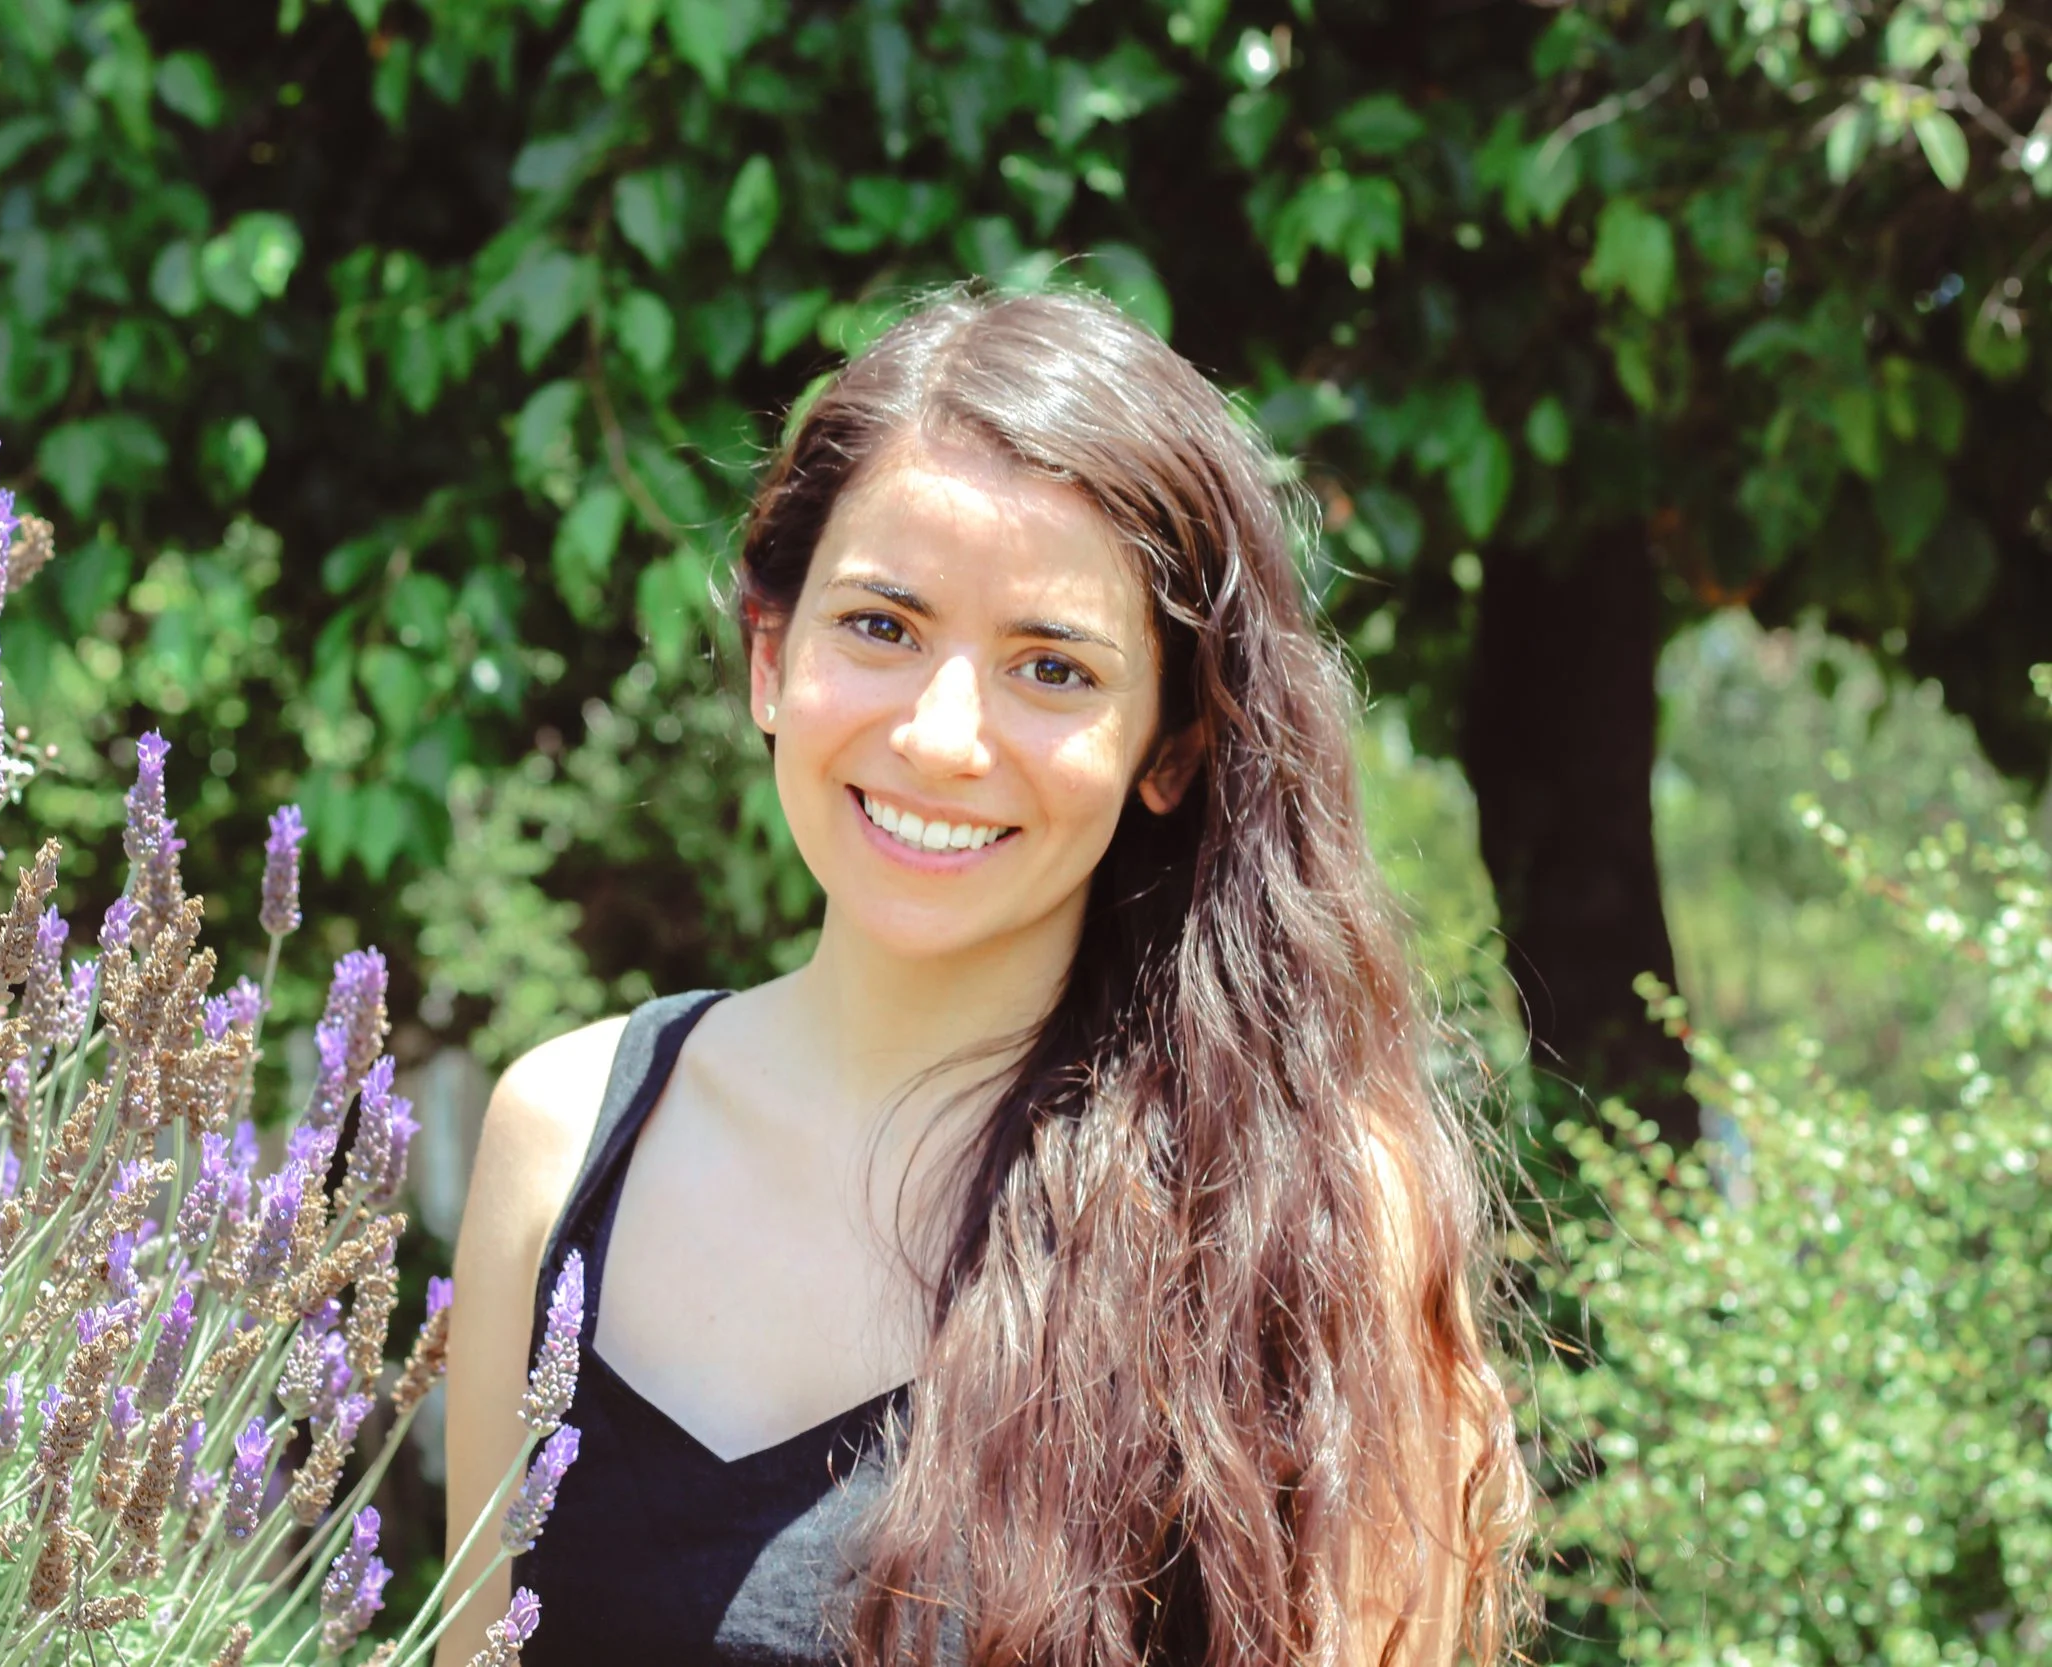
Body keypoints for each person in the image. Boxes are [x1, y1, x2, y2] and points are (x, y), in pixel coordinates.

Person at [436, 287, 1533, 1667]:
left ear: (1170, 747)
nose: (943, 736)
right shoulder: (562, 1138)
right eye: (882, 627)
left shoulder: (1296, 1209)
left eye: (1051, 668)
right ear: (772, 657)